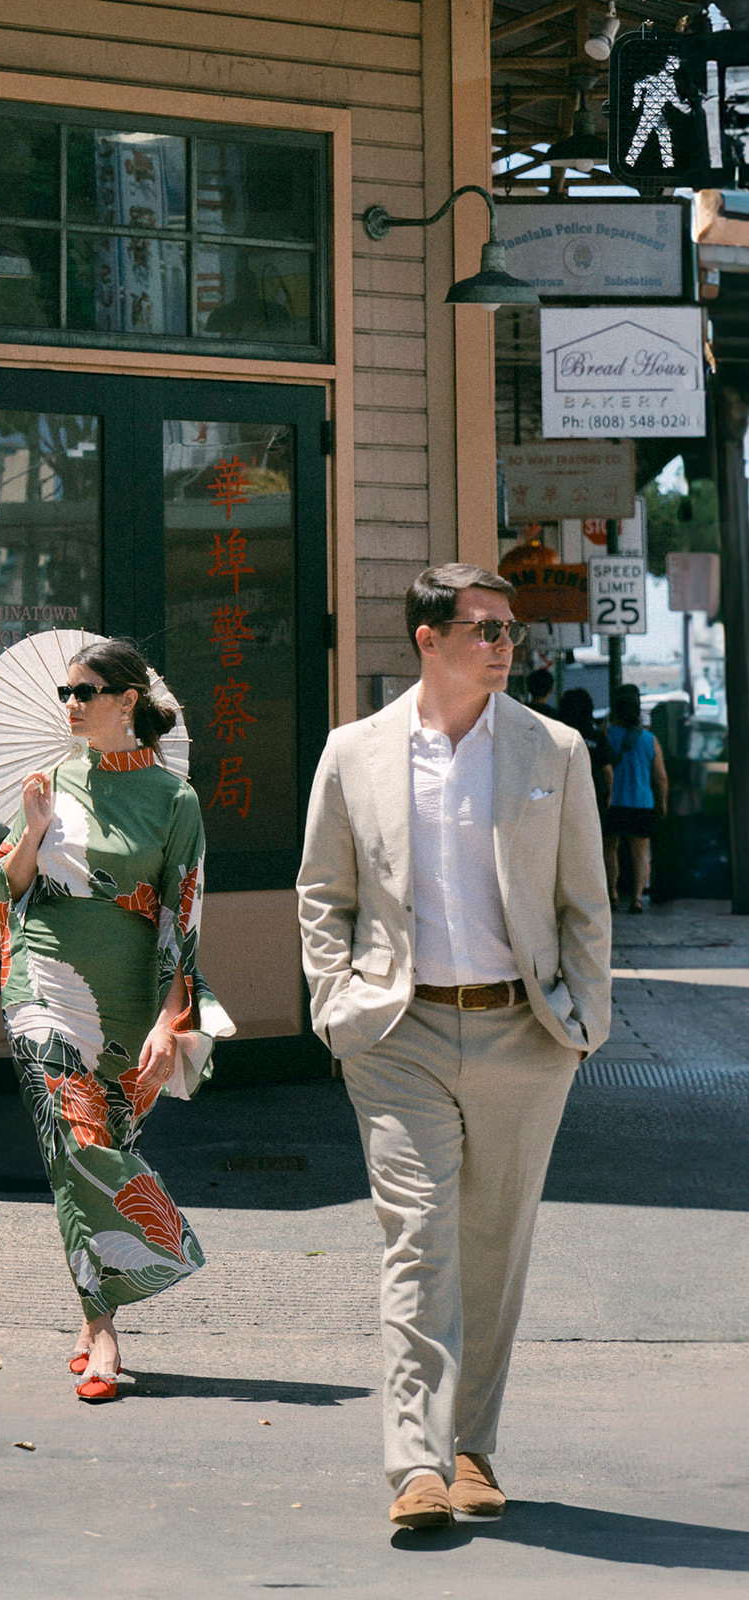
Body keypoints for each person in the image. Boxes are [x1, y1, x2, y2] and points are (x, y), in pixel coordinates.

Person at [297, 563, 610, 1530]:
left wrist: (583, 1020)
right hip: (400, 1032)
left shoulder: (552, 750)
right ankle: (414, 1464)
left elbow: (583, 902)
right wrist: (335, 1005)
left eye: (508, 629)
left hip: (525, 1031)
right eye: (483, 628)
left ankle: (471, 1447)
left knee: (492, 1248)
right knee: (417, 1242)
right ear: (427, 640)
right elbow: (323, 894)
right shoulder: (354, 752)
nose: (504, 644)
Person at [0, 638, 233, 1402]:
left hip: (128, 996)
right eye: (66, 693)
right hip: (41, 978)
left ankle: (88, 1305)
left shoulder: (174, 800)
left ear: (126, 701)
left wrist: (171, 1018)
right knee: (73, 1132)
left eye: (84, 692)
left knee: (96, 1146)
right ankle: (105, 1329)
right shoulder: (50, 780)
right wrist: (32, 827)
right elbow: (9, 882)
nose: (70, 706)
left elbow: (180, 918)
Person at [603, 682, 669, 914]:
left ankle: (612, 893)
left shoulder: (606, 735)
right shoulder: (649, 740)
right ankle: (638, 898)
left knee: (609, 849)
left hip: (611, 804)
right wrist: (662, 802)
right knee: (640, 853)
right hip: (641, 802)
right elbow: (660, 777)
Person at [558, 686, 614, 819]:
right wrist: (610, 794)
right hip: (593, 793)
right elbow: (607, 770)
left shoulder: (559, 734)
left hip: (564, 795)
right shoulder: (596, 736)